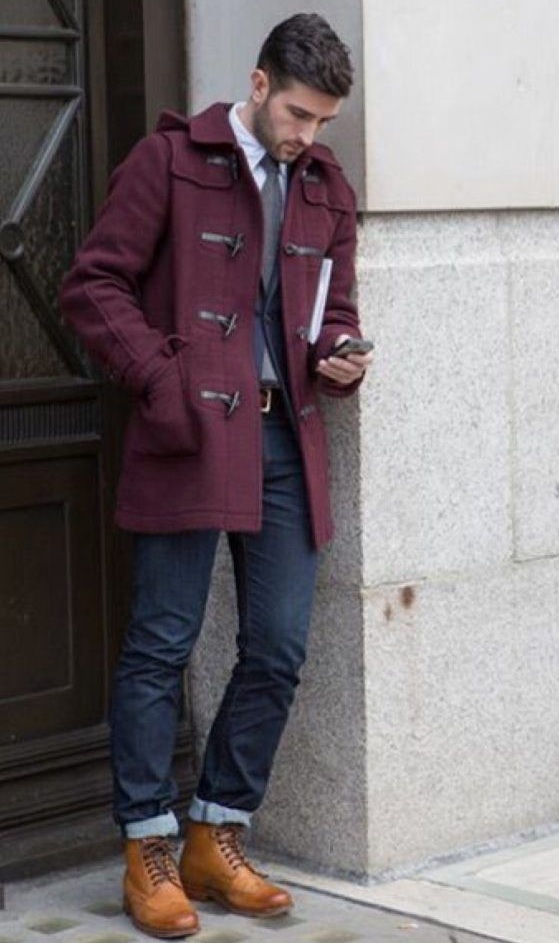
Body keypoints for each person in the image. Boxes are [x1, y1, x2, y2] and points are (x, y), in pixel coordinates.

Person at [59, 12, 372, 941]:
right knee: (163, 643)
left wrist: (341, 353)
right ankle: (147, 847)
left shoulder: (327, 186)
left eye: (323, 122)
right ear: (260, 83)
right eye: (300, 114)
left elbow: (332, 308)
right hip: (189, 432)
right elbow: (92, 286)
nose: (308, 135)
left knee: (277, 647)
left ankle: (216, 832)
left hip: (285, 439)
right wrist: (164, 382)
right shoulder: (168, 162)